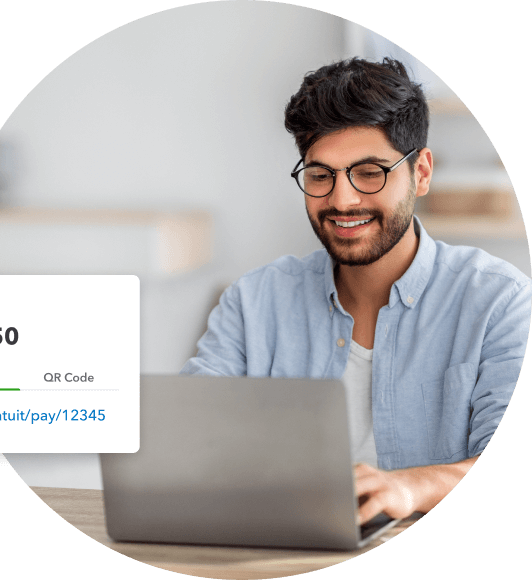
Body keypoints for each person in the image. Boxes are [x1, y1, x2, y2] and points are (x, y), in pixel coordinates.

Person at [180, 57, 530, 525]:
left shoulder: (499, 301)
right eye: (320, 175)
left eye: (370, 172)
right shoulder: (253, 302)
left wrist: (409, 486)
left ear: (421, 173)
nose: (342, 200)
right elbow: (187, 443)